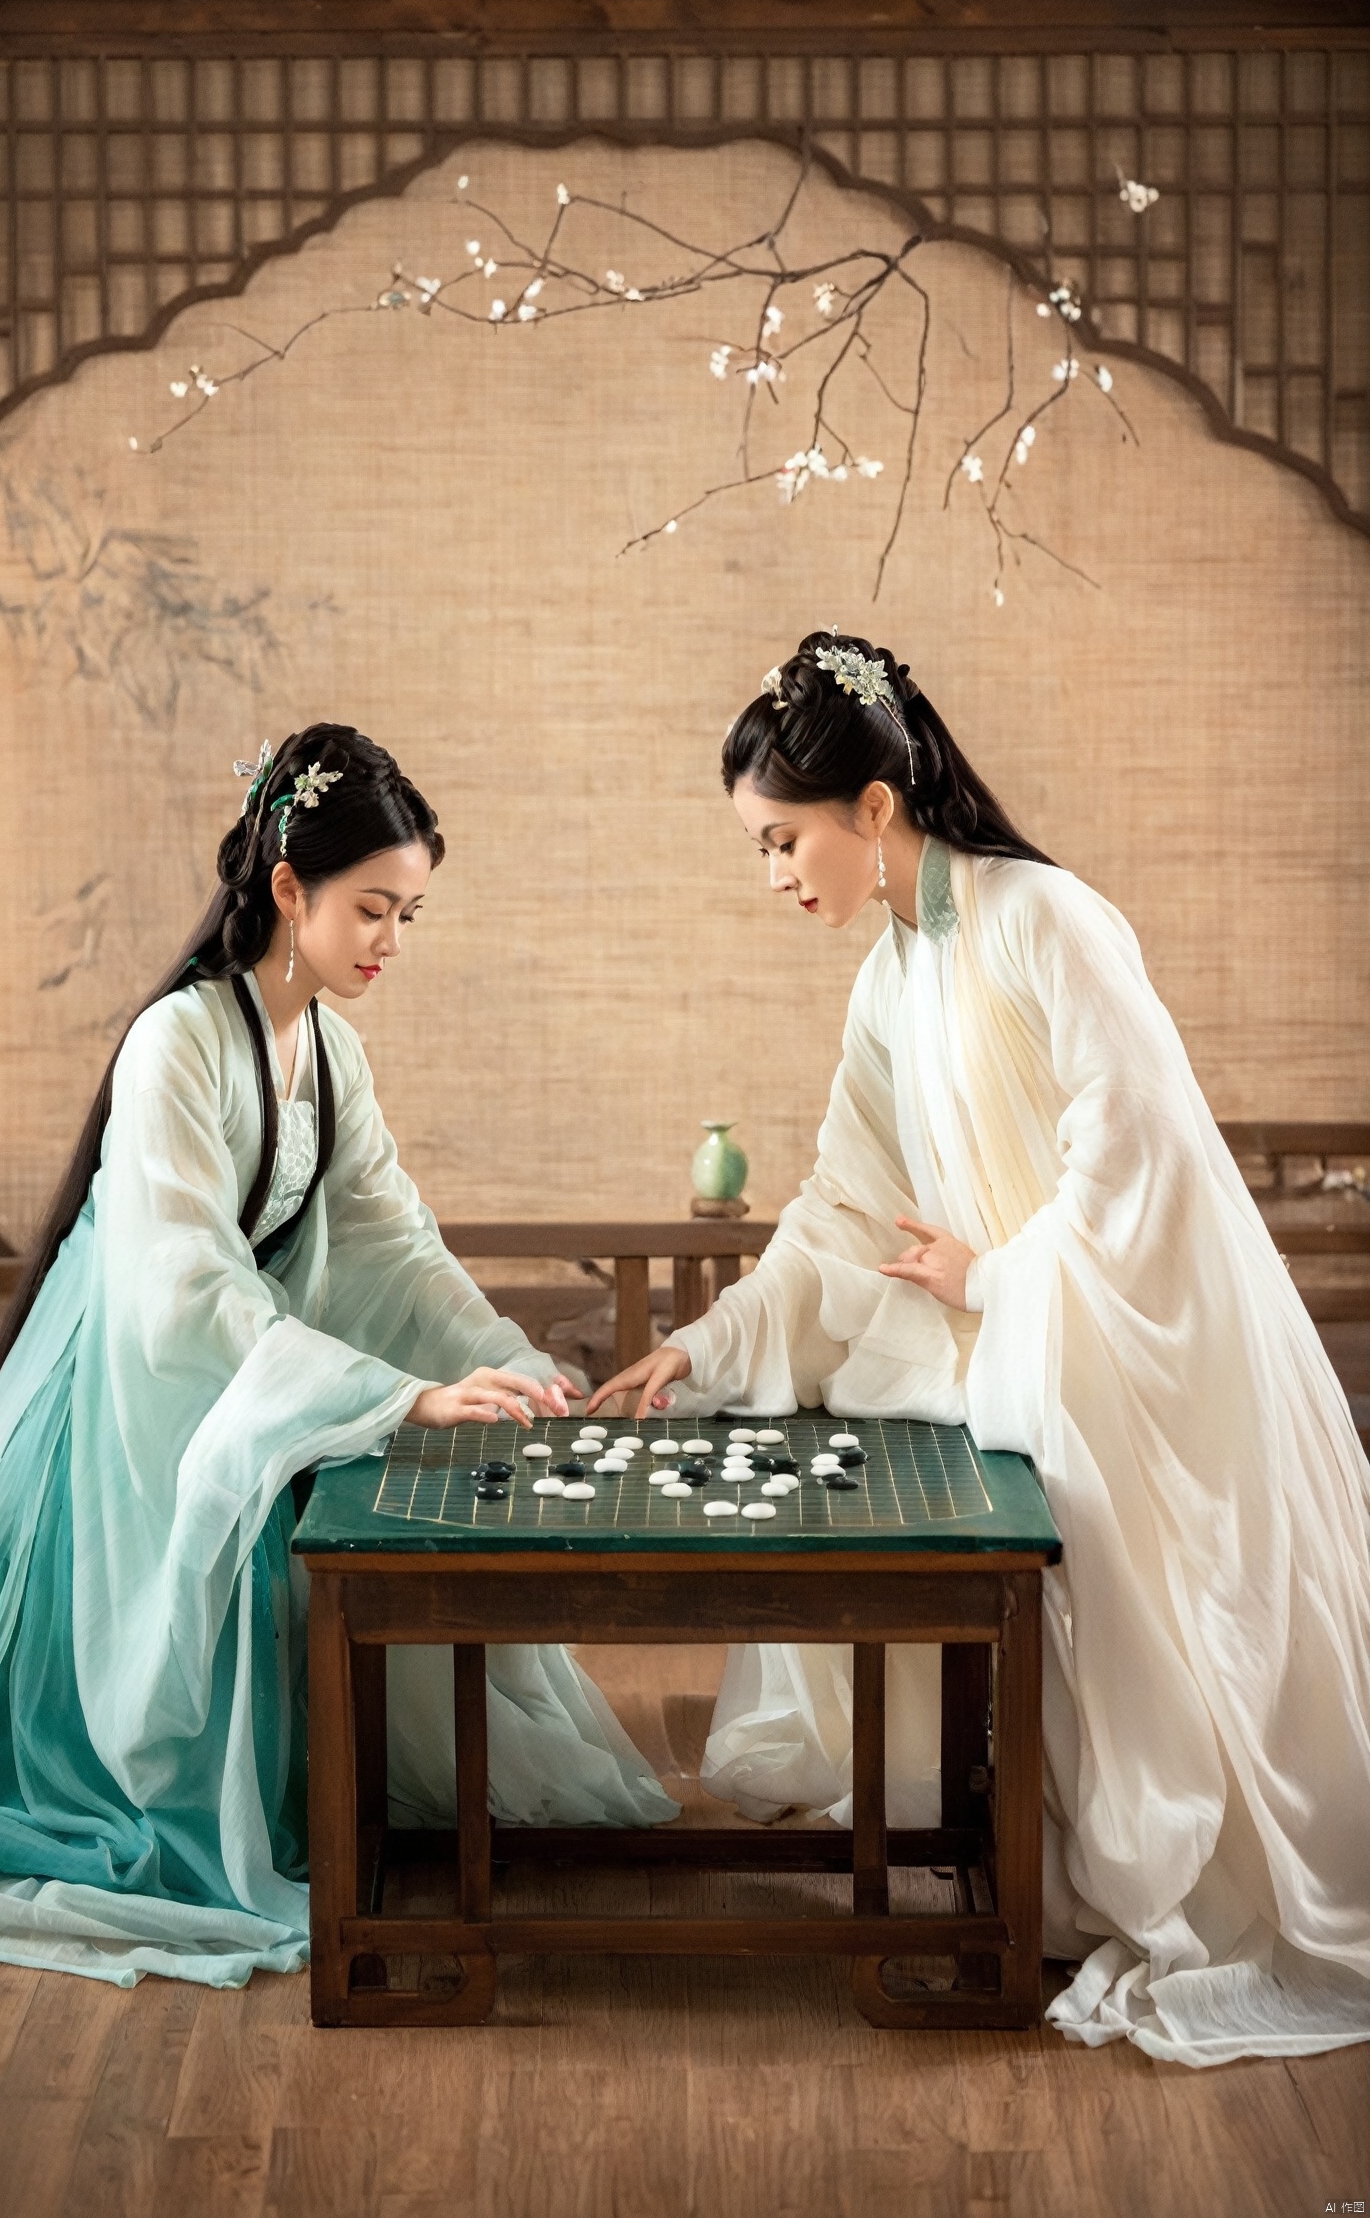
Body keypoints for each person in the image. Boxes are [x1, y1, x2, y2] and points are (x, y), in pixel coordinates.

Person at [593, 632, 1370, 2065]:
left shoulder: (1044, 918)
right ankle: (1012, 1837)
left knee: (1158, 1623)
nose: (773, 876)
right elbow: (842, 1199)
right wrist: (706, 1343)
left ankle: (1122, 1867)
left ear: (873, 809)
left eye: (780, 842)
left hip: (1111, 1344)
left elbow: (1135, 1153)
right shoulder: (894, 970)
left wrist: (999, 1276)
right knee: (874, 1437)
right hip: (1015, 1337)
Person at [0, 723, 671, 1988]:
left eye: (411, 913)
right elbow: (181, 1286)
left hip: (225, 1365)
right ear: (289, 888)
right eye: (373, 908)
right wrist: (400, 1395)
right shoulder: (181, 1041)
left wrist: (510, 1367)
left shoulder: (328, 1046)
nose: (392, 941)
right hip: (130, 1383)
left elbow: (394, 1247)